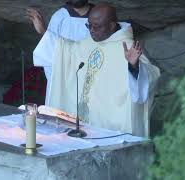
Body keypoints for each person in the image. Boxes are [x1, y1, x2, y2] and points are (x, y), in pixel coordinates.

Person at [47, 3, 160, 137]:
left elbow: (152, 77)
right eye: (89, 25)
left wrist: (134, 66)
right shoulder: (89, 41)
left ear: (111, 25)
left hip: (112, 128)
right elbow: (67, 50)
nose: (92, 30)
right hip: (86, 122)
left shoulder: (127, 46)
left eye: (97, 27)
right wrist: (44, 32)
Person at [27, 0, 94, 105]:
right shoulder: (60, 16)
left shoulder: (99, 15)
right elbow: (51, 52)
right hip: (63, 85)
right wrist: (44, 33)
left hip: (92, 83)